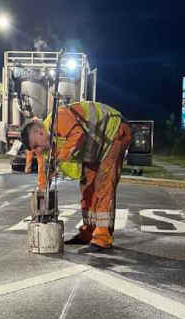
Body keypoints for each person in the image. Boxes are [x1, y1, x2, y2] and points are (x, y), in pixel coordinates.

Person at [21, 101, 132, 251]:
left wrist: (60, 158)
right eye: (34, 149)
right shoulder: (44, 148)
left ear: (40, 132)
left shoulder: (58, 118)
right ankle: (88, 232)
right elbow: (43, 176)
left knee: (103, 184)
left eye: (36, 146)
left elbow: (78, 135)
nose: (37, 151)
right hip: (97, 146)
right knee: (87, 186)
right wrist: (42, 203)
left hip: (114, 131)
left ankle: (102, 238)